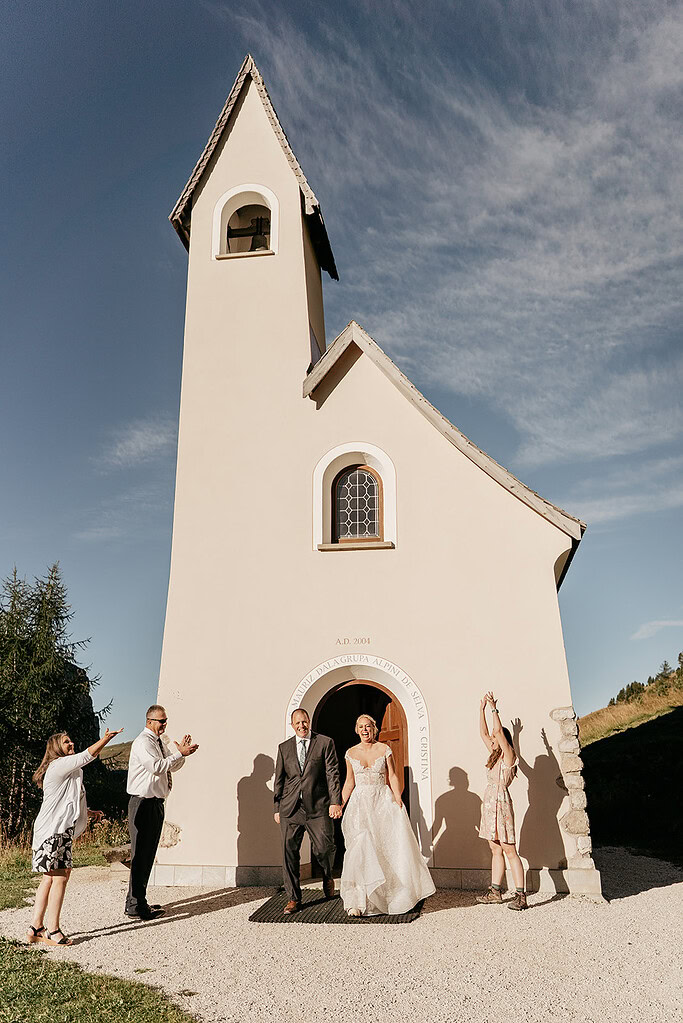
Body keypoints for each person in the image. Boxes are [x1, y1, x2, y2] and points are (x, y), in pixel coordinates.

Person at [28, 726, 124, 946]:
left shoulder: (69, 770)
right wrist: (106, 739)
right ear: (56, 749)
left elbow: (68, 799)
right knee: (61, 876)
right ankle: (53, 931)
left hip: (55, 830)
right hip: (54, 831)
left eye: (71, 741)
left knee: (50, 877)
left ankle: (35, 928)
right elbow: (88, 755)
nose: (71, 744)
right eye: (66, 742)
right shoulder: (59, 765)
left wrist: (88, 812)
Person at [340, 714, 435, 916]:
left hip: (381, 802)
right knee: (360, 849)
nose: (365, 730)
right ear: (356, 730)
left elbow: (392, 775)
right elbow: (349, 781)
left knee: (382, 847)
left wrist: (398, 799)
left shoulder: (384, 749)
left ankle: (387, 896)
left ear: (374, 729)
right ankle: (358, 901)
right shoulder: (350, 753)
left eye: (368, 726)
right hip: (359, 805)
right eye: (361, 727)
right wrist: (340, 803)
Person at [125, 704, 198, 920]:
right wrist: (177, 754)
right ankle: (135, 905)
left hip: (155, 802)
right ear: (150, 721)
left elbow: (171, 766)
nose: (165, 725)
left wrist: (182, 755)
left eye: (166, 721)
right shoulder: (143, 743)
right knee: (140, 854)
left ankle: (138, 900)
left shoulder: (158, 743)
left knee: (148, 854)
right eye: (161, 721)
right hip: (142, 802)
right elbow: (156, 767)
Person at [273, 708, 342, 914]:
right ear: (292, 726)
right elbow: (279, 779)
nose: (302, 726)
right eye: (297, 723)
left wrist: (335, 801)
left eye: (304, 722)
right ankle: (294, 898)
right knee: (289, 853)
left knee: (324, 847)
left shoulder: (324, 743)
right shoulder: (284, 748)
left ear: (309, 721)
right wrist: (277, 807)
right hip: (290, 809)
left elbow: (332, 773)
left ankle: (328, 874)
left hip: (318, 806)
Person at [476, 691, 527, 910]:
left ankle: (521, 895)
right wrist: (481, 711)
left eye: (497, 740)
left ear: (503, 740)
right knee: (495, 850)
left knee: (509, 851)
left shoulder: (509, 755)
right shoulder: (494, 754)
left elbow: (496, 730)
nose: (492, 740)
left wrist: (493, 708)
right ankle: (495, 891)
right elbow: (484, 733)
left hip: (501, 804)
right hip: (488, 806)